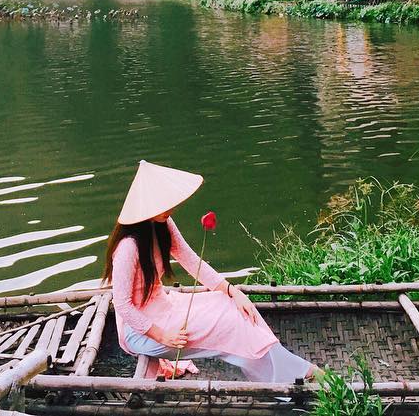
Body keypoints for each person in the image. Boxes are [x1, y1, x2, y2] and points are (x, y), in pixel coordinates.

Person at [103, 160, 322, 383]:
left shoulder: (163, 224)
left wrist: (233, 291)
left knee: (232, 307)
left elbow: (191, 261)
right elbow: (122, 304)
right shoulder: (128, 247)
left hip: (165, 307)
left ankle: (286, 374)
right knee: (229, 324)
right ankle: (298, 374)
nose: (171, 207)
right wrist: (162, 335)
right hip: (141, 331)